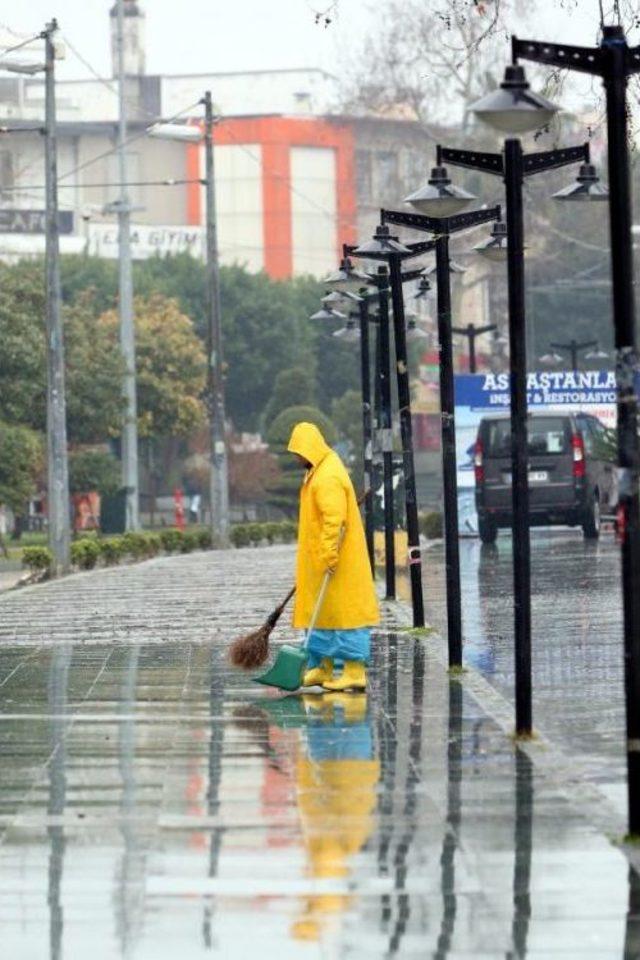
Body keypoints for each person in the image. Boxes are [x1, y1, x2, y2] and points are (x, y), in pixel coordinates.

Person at [287, 421, 379, 691]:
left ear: (309, 449)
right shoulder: (317, 470)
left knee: (346, 616)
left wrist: (328, 554)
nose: (296, 458)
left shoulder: (327, 476)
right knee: (323, 615)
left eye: (297, 453)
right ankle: (321, 668)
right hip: (322, 563)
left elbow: (334, 520)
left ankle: (354, 671)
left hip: (337, 562)